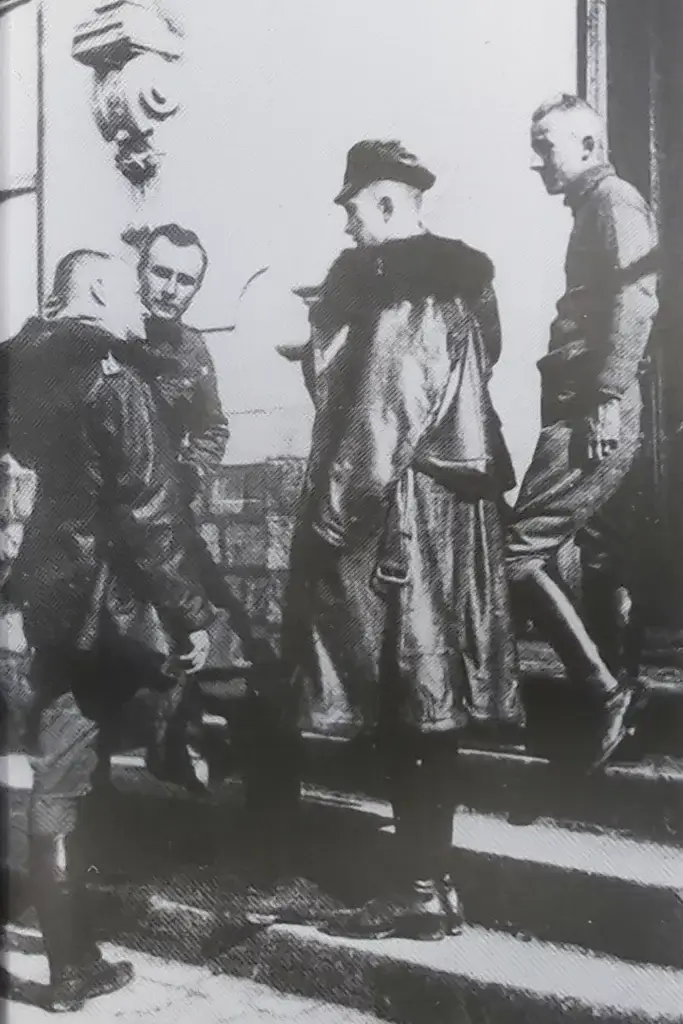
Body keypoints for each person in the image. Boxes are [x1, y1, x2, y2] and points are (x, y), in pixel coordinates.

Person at [248, 140, 523, 940]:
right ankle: (426, 884)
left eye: (351, 205)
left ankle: (424, 888)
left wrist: (334, 517)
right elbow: (465, 374)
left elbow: (385, 409)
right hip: (443, 510)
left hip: (399, 516)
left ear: (385, 202)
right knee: (423, 695)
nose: (344, 221)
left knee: (412, 694)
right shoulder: (461, 285)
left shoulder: (401, 287)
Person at [3, 250, 215, 1011]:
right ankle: (69, 968)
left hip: (49, 594)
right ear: (95, 289)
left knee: (67, 756)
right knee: (75, 757)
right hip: (108, 604)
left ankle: (72, 949)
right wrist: (193, 618)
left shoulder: (22, 367)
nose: (140, 300)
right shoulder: (113, 378)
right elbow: (152, 511)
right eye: (127, 286)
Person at [506, 94, 659, 768]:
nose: (535, 159)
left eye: (545, 145)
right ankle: (624, 693)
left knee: (516, 553)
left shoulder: (613, 200)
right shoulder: (595, 206)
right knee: (596, 549)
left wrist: (603, 396)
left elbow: (636, 296)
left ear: (588, 146)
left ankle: (603, 695)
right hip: (586, 399)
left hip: (593, 405)